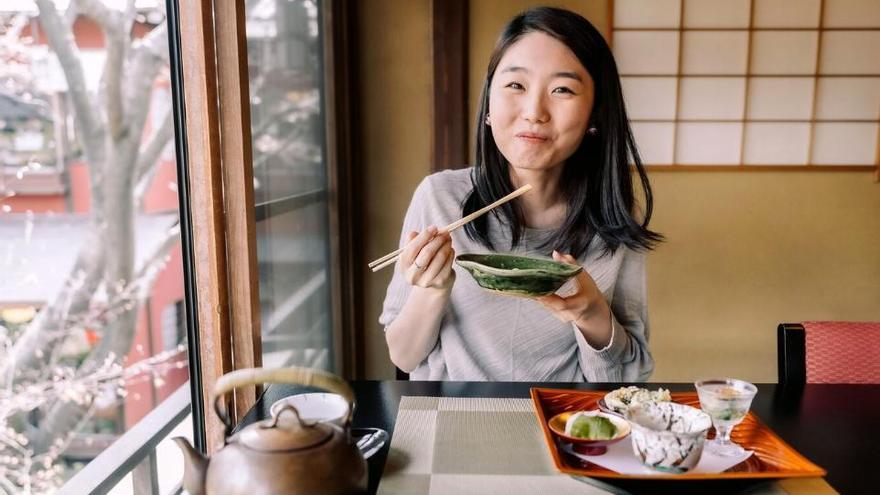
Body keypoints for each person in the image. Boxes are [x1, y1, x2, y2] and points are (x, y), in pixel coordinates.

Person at [380, 6, 662, 382]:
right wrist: (432, 291)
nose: (534, 111)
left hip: (562, 423)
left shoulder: (610, 220)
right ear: (488, 107)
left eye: (562, 89)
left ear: (596, 113)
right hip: (452, 422)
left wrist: (591, 313)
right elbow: (403, 355)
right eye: (515, 85)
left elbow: (626, 380)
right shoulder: (439, 197)